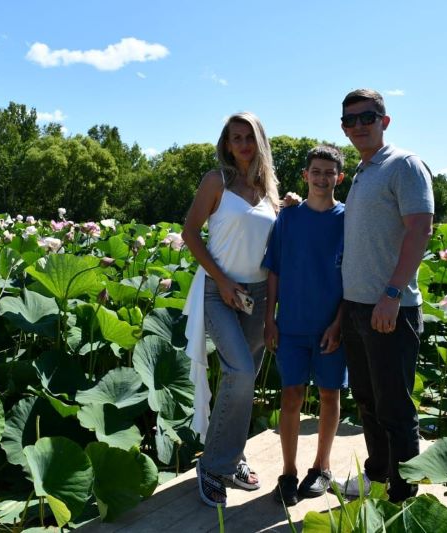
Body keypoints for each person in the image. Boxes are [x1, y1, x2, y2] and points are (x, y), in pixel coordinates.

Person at [337, 88, 434, 503]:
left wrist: (392, 293)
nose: (359, 125)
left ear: (385, 121)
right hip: (356, 307)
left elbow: (420, 230)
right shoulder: (362, 172)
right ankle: (377, 476)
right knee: (367, 402)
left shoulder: (404, 165)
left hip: (391, 307)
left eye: (367, 117)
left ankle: (402, 494)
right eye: (350, 120)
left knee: (395, 408)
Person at [182, 112, 280, 507]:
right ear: (226, 143)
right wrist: (221, 281)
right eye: (235, 138)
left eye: (248, 137)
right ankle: (212, 464)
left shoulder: (269, 189)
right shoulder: (216, 181)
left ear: (259, 142)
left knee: (245, 378)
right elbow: (190, 232)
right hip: (218, 289)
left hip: (256, 295)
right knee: (239, 372)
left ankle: (233, 456)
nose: (242, 144)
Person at [262, 145, 349, 506]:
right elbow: (275, 271)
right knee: (291, 395)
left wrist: (340, 323)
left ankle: (321, 468)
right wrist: (270, 319)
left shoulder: (348, 218)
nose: (322, 178)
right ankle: (287, 473)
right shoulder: (288, 217)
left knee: (330, 394)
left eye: (329, 173)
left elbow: (354, 277)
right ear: (305, 175)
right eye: (316, 171)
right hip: (292, 325)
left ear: (339, 178)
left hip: (331, 325)